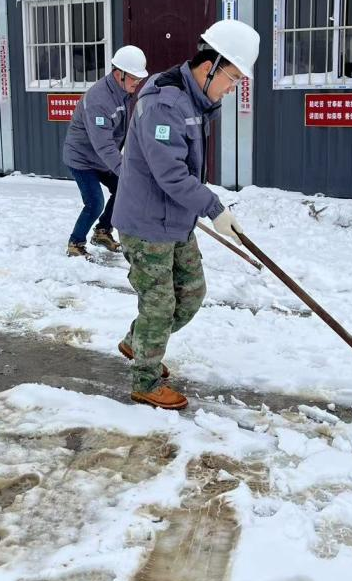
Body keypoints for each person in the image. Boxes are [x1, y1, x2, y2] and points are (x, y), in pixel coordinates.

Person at [112, 20, 260, 410]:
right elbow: (172, 174)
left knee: (191, 294)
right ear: (210, 66)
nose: (232, 88)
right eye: (232, 78)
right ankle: (145, 380)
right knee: (159, 305)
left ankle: (139, 342)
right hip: (146, 224)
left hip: (175, 219)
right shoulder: (165, 104)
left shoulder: (193, 100)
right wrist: (214, 208)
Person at [62, 45, 149, 257]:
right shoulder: (98, 100)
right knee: (95, 203)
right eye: (134, 78)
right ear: (119, 74)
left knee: (122, 189)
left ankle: (102, 231)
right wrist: (124, 169)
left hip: (102, 158)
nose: (137, 83)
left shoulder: (122, 91)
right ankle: (75, 243)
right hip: (82, 159)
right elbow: (103, 144)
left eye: (140, 79)